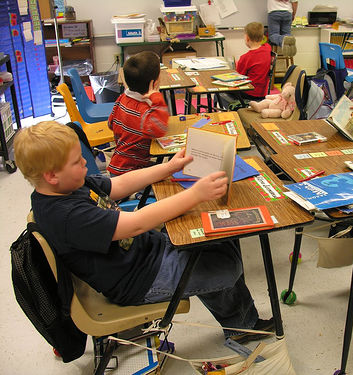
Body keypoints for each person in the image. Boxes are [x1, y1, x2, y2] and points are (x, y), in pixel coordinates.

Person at [13, 121, 274, 344]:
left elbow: (120, 183)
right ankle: (241, 324)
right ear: (52, 176)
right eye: (76, 161)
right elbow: (136, 223)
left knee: (218, 239)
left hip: (144, 254)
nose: (85, 162)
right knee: (228, 266)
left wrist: (169, 167)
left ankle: (241, 325)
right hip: (138, 280)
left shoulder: (70, 187)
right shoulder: (67, 216)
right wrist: (196, 194)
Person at [107, 51, 169, 176]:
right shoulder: (144, 110)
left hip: (119, 163)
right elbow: (159, 130)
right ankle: (140, 194)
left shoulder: (122, 98)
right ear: (155, 83)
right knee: (171, 175)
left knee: (168, 168)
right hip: (131, 171)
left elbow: (110, 124)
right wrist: (157, 98)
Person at [219, 22, 271, 110]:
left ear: (247, 38)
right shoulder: (267, 48)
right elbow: (265, 43)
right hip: (262, 93)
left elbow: (237, 77)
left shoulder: (245, 58)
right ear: (263, 37)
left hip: (248, 93)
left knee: (219, 93)